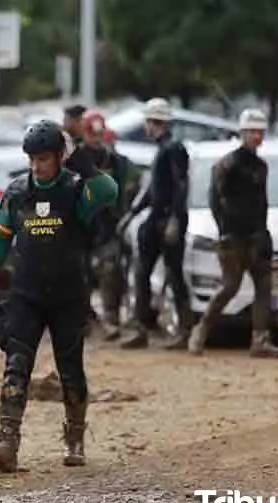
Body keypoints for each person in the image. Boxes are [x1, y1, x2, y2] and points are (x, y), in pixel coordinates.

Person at [0, 120, 118, 473]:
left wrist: (79, 158)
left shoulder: (77, 190)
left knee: (70, 368)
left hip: (69, 295)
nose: (37, 166)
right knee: (16, 364)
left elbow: (108, 190)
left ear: (58, 157)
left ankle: (75, 439)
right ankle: (7, 442)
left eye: (45, 158)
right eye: (33, 159)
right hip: (26, 294)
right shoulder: (18, 193)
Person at [188, 109, 278, 358]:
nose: (256, 136)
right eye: (251, 131)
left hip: (256, 236)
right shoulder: (227, 165)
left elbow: (261, 202)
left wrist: (264, 233)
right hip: (233, 238)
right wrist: (225, 232)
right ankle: (201, 330)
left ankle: (260, 340)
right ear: (242, 133)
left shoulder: (261, 166)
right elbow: (215, 201)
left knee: (264, 287)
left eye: (259, 132)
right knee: (230, 287)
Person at [119, 98, 193, 350]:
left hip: (169, 219)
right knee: (142, 273)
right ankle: (143, 326)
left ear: (154, 123)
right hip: (155, 219)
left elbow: (181, 186)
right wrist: (132, 213)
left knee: (173, 273)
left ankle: (184, 330)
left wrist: (174, 218)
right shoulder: (162, 149)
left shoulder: (174, 149)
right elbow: (153, 189)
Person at [78, 111, 132, 339]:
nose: (96, 138)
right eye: (92, 133)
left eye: (99, 134)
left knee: (110, 272)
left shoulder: (115, 161)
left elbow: (123, 193)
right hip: (80, 226)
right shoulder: (75, 160)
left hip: (108, 226)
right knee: (79, 275)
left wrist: (122, 218)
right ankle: (83, 320)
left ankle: (111, 320)